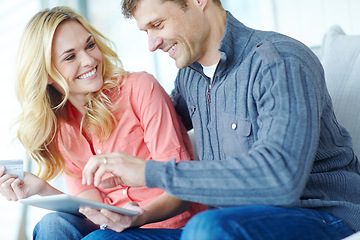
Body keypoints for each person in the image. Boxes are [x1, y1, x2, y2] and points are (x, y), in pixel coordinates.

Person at [80, 0, 360, 239]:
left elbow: (280, 178)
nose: (152, 44)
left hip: (318, 214)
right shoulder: (191, 76)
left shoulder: (280, 62)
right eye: (146, 31)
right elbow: (151, 123)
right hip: (226, 224)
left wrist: (149, 172)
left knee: (205, 228)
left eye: (158, 25)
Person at [0, 6, 207, 240]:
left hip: (172, 227)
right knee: (52, 224)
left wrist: (139, 217)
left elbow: (182, 190)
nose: (89, 60)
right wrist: (42, 190)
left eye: (90, 45)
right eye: (70, 57)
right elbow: (93, 211)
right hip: (114, 230)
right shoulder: (62, 130)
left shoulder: (139, 89)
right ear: (46, 74)